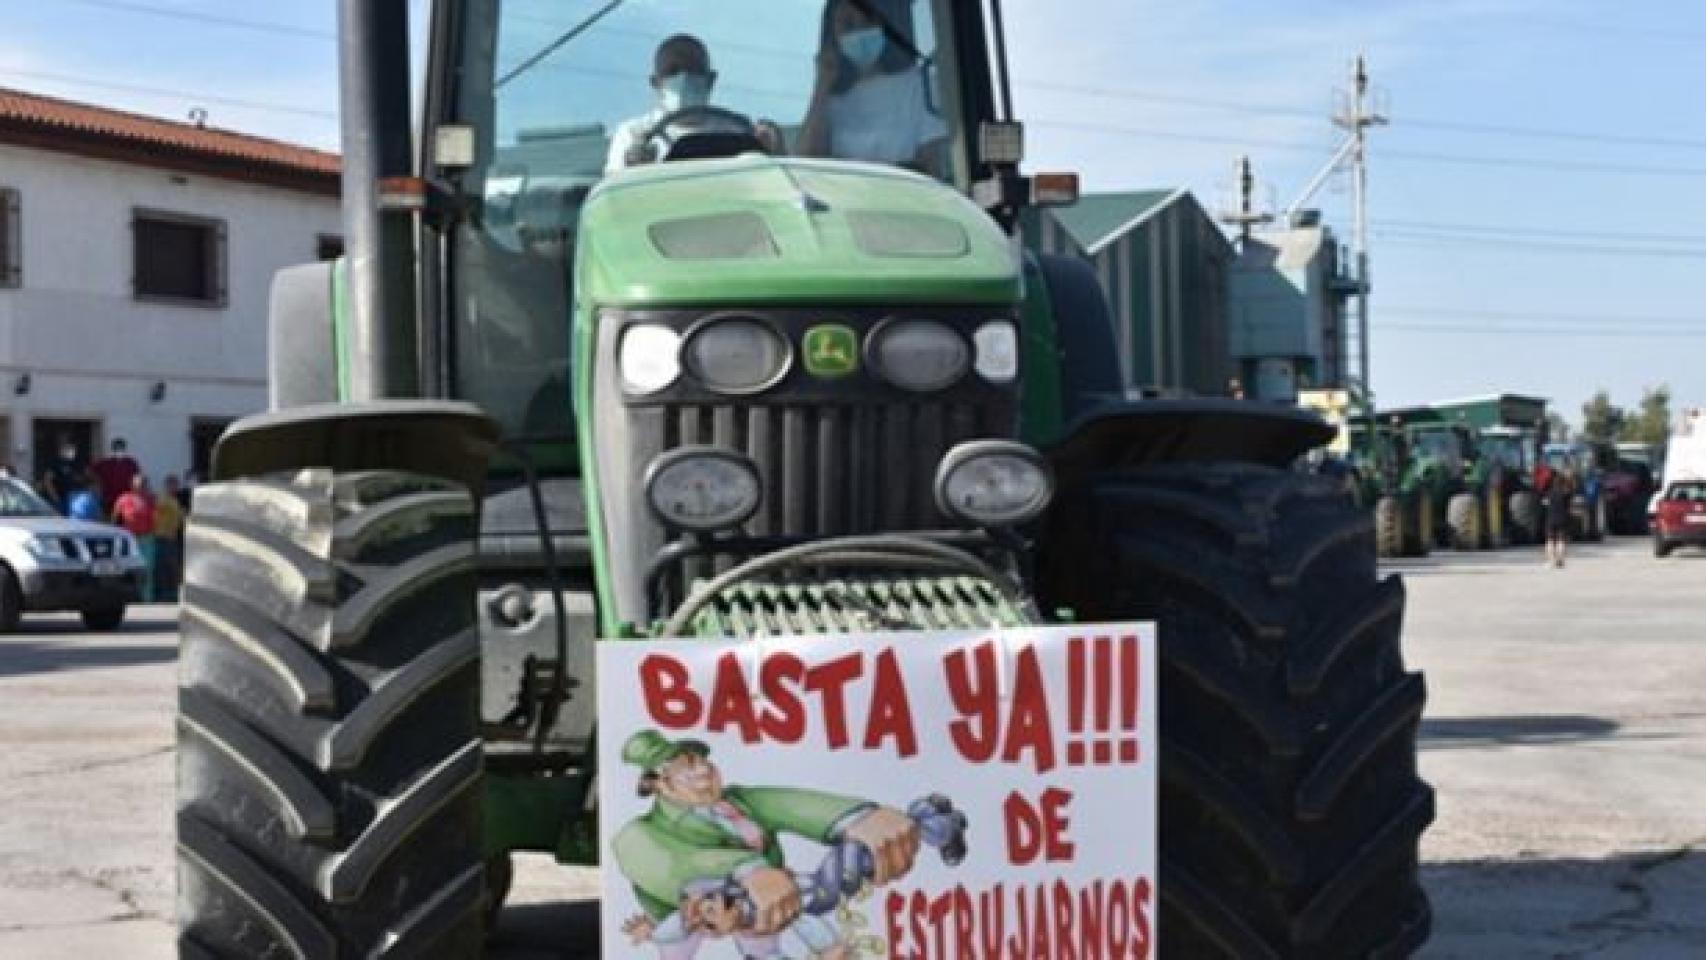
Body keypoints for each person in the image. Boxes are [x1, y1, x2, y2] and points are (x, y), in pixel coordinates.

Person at [611, 730, 922, 959]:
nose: (704, 769)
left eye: (700, 760)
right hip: (695, 917)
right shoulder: (640, 832)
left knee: (775, 941)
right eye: (685, 767)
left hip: (765, 907)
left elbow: (788, 804)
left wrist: (857, 818)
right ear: (658, 784)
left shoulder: (738, 800)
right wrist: (746, 870)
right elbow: (659, 861)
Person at [799, 0, 947, 171]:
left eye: (868, 21)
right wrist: (821, 86)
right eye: (848, 25)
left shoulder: (921, 85)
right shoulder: (830, 103)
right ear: (832, 36)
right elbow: (806, 166)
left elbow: (931, 168)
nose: (860, 32)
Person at [606, 36, 721, 174]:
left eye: (694, 70)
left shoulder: (738, 133)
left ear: (711, 81)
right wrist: (632, 165)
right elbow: (616, 186)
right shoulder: (632, 134)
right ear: (656, 83)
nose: (683, 78)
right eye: (672, 72)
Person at [112, 474, 158, 602]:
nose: (141, 487)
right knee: (127, 569)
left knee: (147, 569)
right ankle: (127, 597)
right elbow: (115, 518)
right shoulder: (123, 499)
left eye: (144, 484)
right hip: (129, 539)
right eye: (139, 484)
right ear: (132, 485)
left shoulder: (151, 499)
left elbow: (157, 517)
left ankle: (147, 598)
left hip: (146, 538)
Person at [154, 475, 185, 602]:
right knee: (166, 566)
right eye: (173, 485)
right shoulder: (162, 498)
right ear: (167, 485)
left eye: (176, 485)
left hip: (172, 537)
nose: (176, 487)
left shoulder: (174, 500)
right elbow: (156, 512)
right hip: (163, 537)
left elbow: (179, 517)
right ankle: (164, 595)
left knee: (173, 566)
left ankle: (171, 594)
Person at [91, 438, 140, 515]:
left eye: (121, 448)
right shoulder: (106, 463)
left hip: (127, 502)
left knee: (126, 524)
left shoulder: (131, 463)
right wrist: (97, 487)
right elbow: (91, 471)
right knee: (111, 525)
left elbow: (137, 479)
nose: (119, 451)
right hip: (110, 501)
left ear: (125, 449)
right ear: (113, 449)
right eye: (117, 448)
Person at [1545, 470, 1573, 568]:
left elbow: (1545, 503)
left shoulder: (1550, 493)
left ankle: (1551, 561)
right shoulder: (1566, 493)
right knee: (1561, 540)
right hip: (1563, 518)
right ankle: (1560, 561)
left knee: (1550, 540)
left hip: (1551, 518)